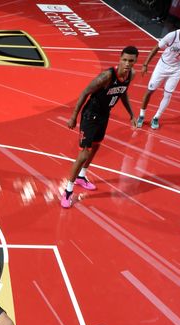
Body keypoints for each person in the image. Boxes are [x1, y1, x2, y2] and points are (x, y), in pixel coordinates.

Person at [61, 45, 139, 209]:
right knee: (84, 154)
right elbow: (84, 93)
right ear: (120, 59)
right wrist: (74, 116)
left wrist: (131, 114)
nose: (127, 63)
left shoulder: (130, 74)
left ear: (135, 62)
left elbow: (122, 92)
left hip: (104, 115)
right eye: (124, 60)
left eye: (130, 61)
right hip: (90, 115)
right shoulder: (106, 76)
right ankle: (67, 191)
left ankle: (82, 177)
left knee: (96, 147)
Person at [137, 16, 180, 130]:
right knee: (150, 90)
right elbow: (156, 48)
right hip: (162, 66)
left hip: (176, 69)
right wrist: (145, 64)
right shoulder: (172, 36)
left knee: (168, 94)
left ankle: (156, 117)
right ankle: (141, 115)